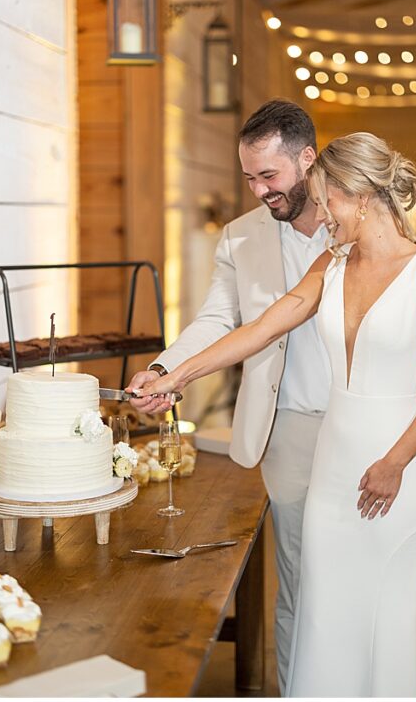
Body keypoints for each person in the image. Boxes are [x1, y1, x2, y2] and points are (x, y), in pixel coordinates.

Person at [138, 132, 416, 697]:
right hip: (332, 465)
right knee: (324, 608)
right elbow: (262, 327)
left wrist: (394, 463)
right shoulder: (332, 263)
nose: (320, 217)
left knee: (393, 602)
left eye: (326, 203)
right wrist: (175, 377)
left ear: (360, 196)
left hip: (398, 464)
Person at [127, 99, 330, 693]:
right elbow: (217, 318)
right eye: (249, 178)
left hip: (360, 423)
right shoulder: (240, 237)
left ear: (308, 158)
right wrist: (166, 367)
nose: (260, 190)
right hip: (284, 424)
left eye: (270, 175)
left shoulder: (357, 218)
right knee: (299, 575)